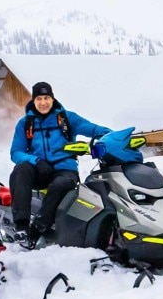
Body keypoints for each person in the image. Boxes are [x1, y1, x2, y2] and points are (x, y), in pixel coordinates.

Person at [9, 82, 112, 246]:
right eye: (39, 98)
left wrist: (113, 137)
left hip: (64, 169)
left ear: (52, 98)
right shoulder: (25, 124)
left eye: (46, 98)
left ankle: (39, 226)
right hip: (39, 169)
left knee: (62, 184)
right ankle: (21, 225)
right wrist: (36, 161)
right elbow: (16, 152)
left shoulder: (67, 118)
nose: (43, 102)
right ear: (33, 100)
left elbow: (93, 129)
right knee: (20, 169)